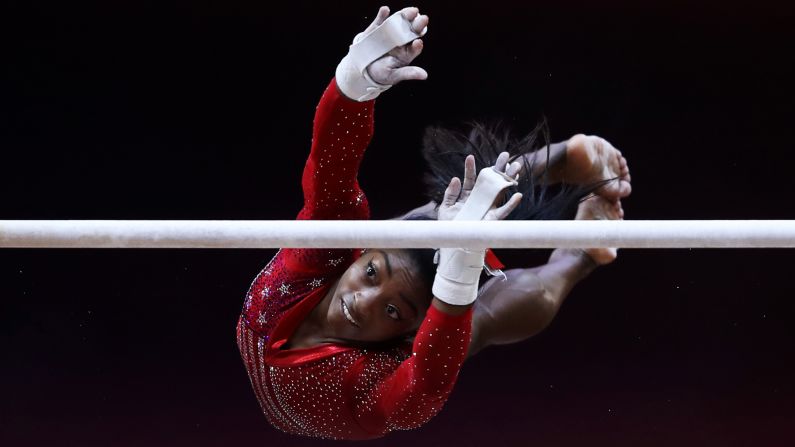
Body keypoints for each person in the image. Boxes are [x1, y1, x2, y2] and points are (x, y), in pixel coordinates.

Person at [236, 6, 631, 440]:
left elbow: (425, 382)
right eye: (370, 273)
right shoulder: (317, 258)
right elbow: (330, 172)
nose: (363, 302)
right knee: (431, 228)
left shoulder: (371, 379)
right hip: (402, 296)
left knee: (469, 306)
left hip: (420, 333)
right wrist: (352, 86)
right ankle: (568, 219)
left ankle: (573, 239)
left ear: (410, 328)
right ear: (358, 255)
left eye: (392, 311)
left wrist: (456, 286)